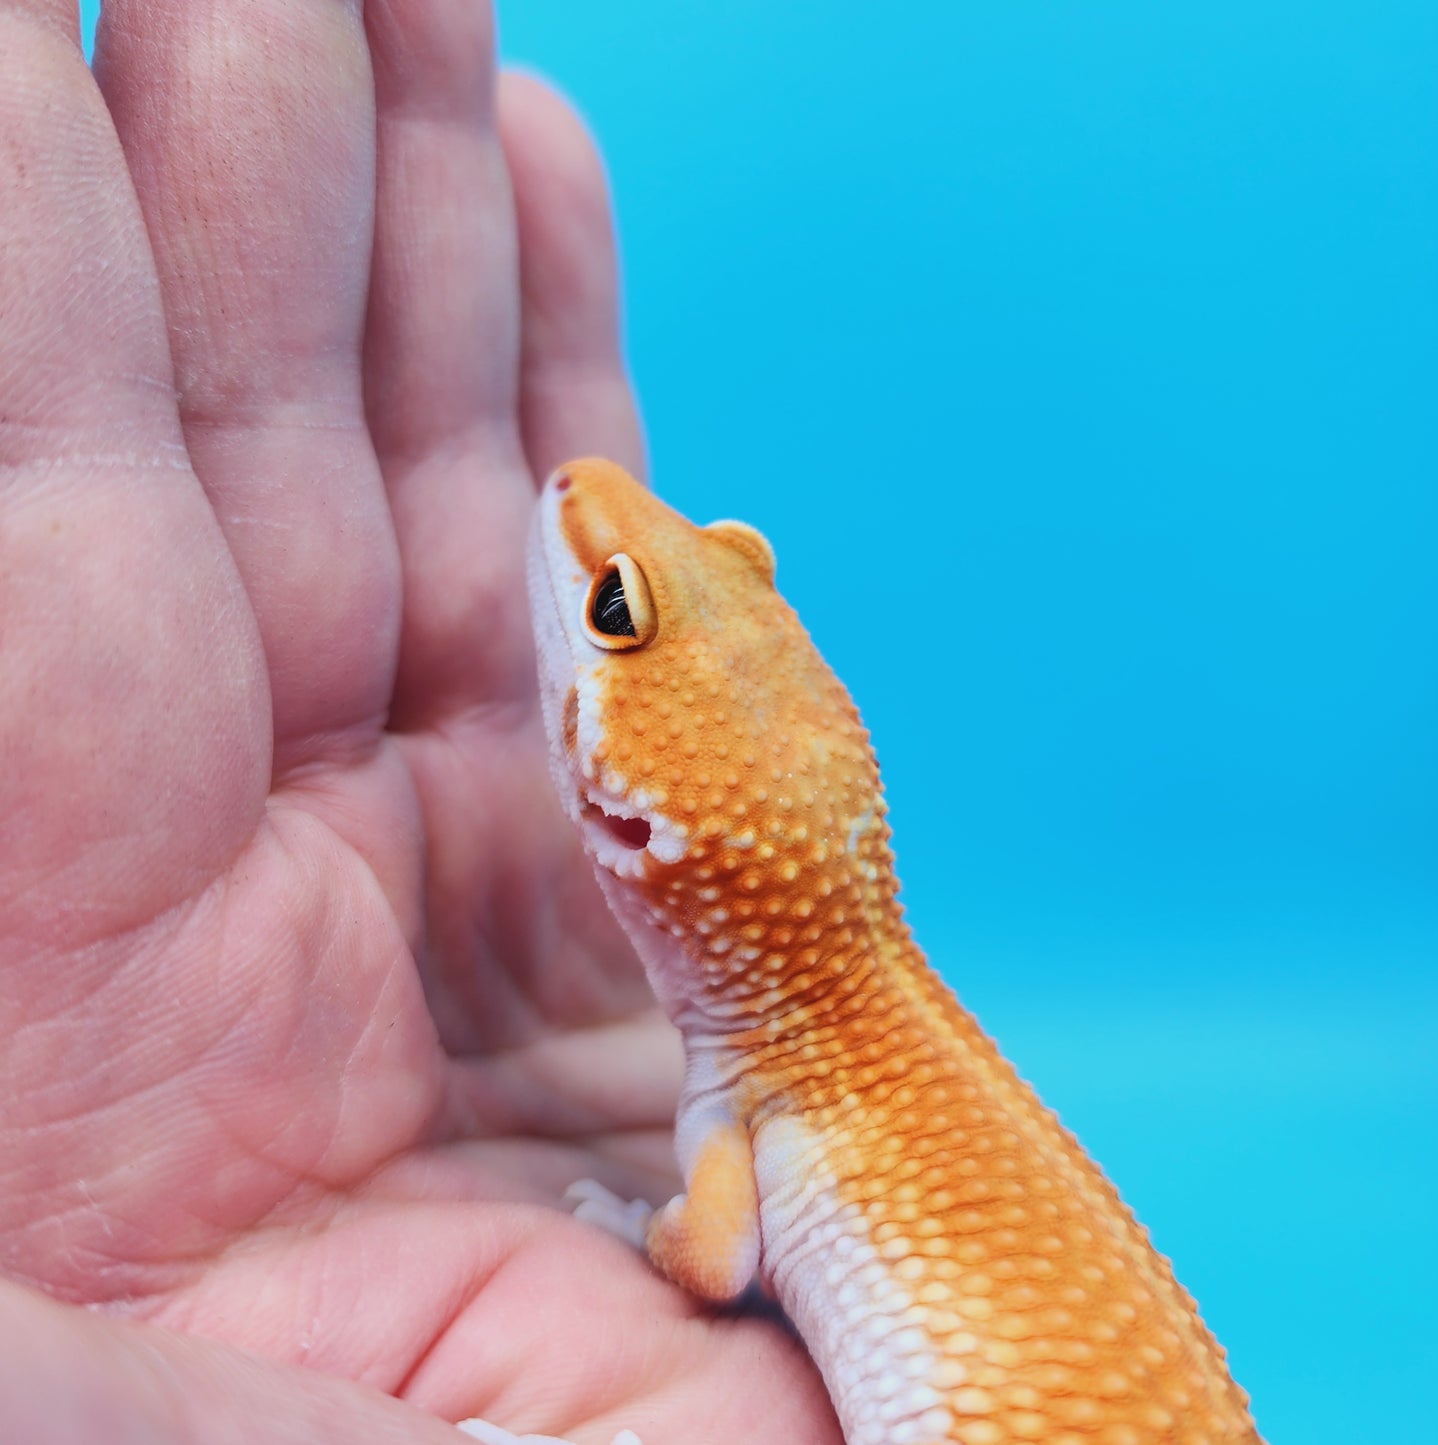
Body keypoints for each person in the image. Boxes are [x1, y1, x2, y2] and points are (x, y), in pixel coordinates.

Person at [0, 2, 837, 1439]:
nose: (581, 506)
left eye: (613, 609)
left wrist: (646, 1262)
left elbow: (707, 1249)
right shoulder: (829, 1070)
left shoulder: (763, 1123)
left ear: (648, 820)